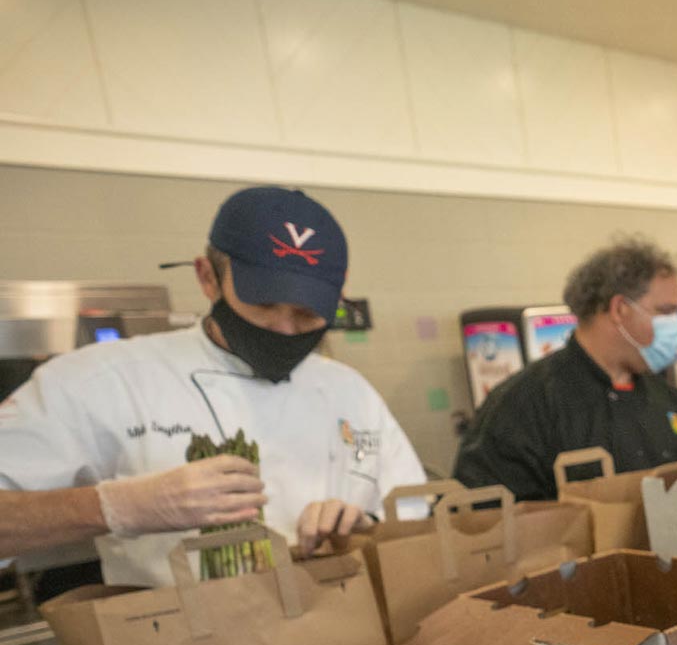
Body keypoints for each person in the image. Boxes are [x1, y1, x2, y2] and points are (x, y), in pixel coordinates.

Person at [0, 186, 423, 587]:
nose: (284, 328)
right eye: (263, 305)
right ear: (207, 278)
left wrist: (366, 529)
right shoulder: (98, 381)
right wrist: (117, 507)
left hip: (349, 641)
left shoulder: (350, 390)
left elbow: (418, 516)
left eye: (307, 313)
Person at [452, 237, 677, 499]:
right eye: (665, 312)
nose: (676, 325)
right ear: (619, 309)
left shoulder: (672, 401)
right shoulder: (524, 405)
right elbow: (484, 517)